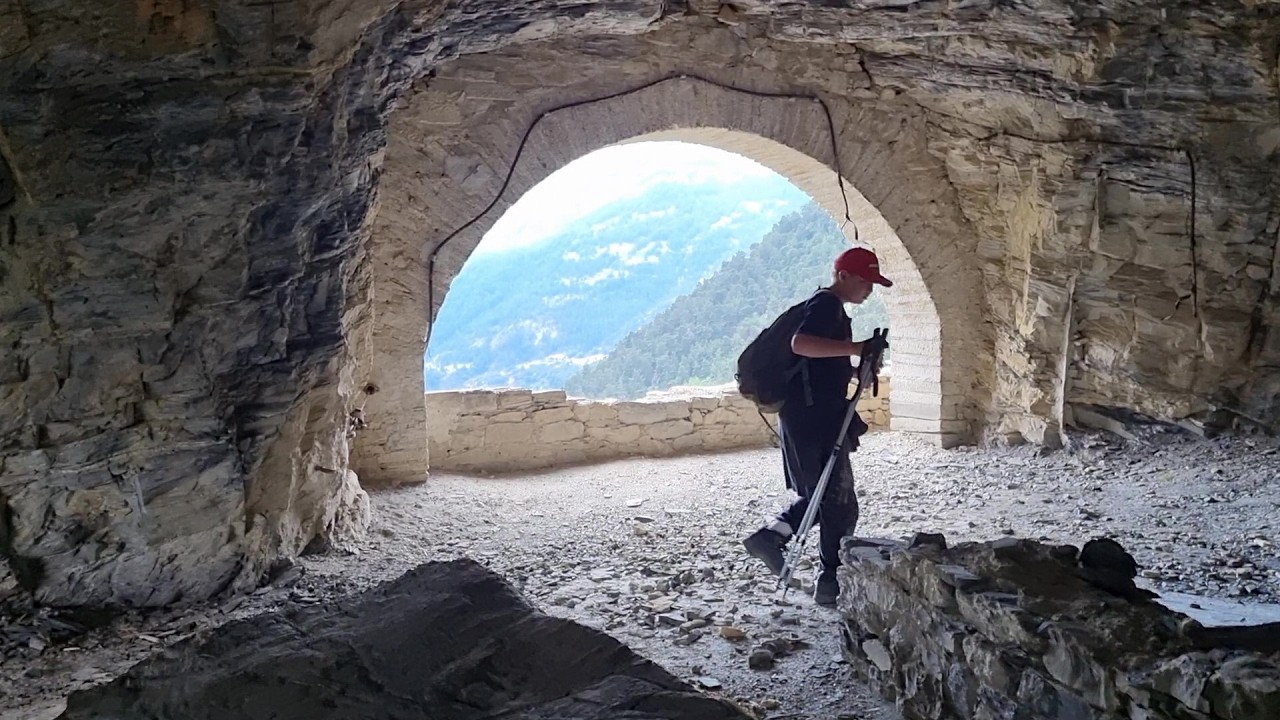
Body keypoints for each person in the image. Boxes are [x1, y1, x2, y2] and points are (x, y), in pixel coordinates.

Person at [741, 247, 892, 606]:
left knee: (826, 494)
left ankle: (774, 538)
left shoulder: (831, 309)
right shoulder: (825, 305)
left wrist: (857, 368)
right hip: (812, 418)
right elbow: (802, 344)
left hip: (811, 415)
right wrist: (856, 348)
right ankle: (830, 579)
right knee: (837, 501)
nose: (869, 289)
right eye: (865, 281)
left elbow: (818, 364)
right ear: (844, 276)